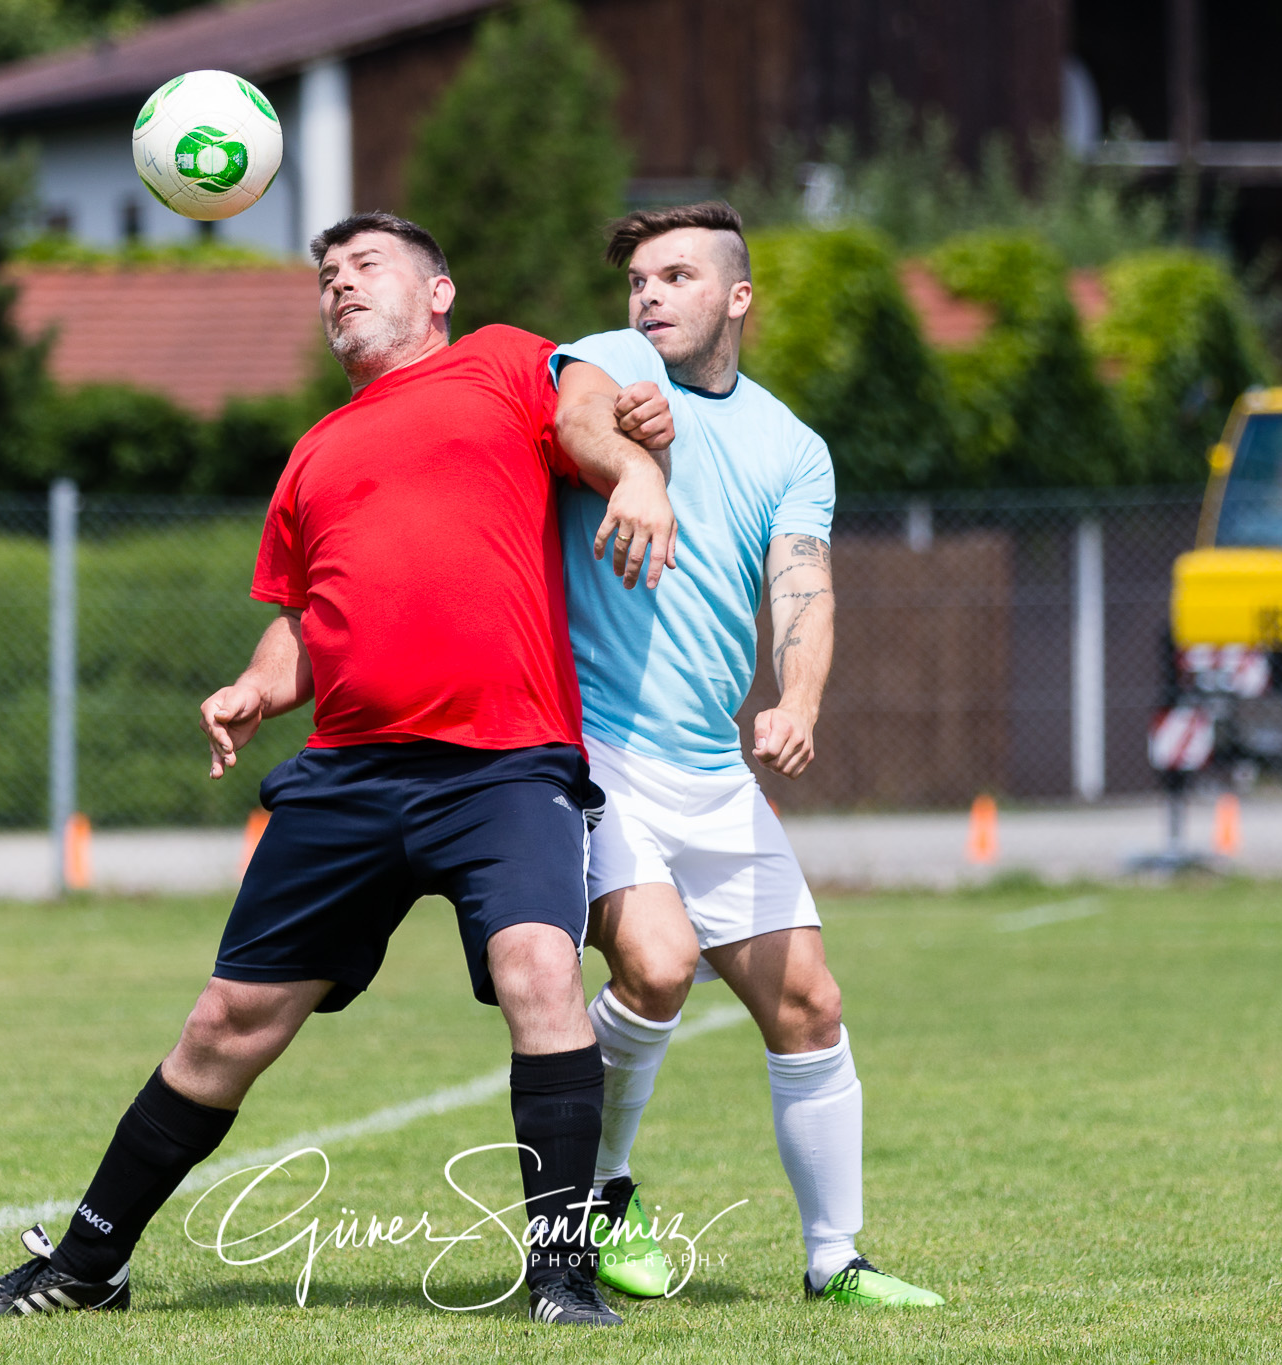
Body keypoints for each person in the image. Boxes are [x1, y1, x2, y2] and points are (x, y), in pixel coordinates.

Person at [0, 212, 678, 1328]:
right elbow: (304, 619)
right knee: (224, 1024)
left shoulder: (499, 361)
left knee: (541, 973)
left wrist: (632, 470)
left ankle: (562, 1277)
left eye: (363, 266)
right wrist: (252, 685)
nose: (338, 284)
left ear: (436, 291)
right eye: (325, 275)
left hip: (502, 765)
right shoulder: (313, 453)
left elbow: (582, 416)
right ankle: (86, 1266)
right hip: (345, 780)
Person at [553, 202, 943, 1308]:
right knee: (658, 965)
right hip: (597, 746)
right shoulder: (617, 365)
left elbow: (803, 584)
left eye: (674, 276)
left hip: (709, 769)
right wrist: (631, 462)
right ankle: (602, 1194)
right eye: (636, 279)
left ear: (737, 297)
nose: (647, 296)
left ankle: (837, 1263)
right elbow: (578, 415)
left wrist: (797, 697)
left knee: (809, 1003)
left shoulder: (790, 444)